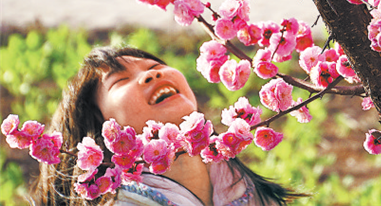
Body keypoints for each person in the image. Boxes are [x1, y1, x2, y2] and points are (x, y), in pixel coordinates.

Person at [31, 46, 302, 206]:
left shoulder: (240, 183)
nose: (152, 73)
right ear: (99, 135)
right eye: (120, 81)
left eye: (155, 65)